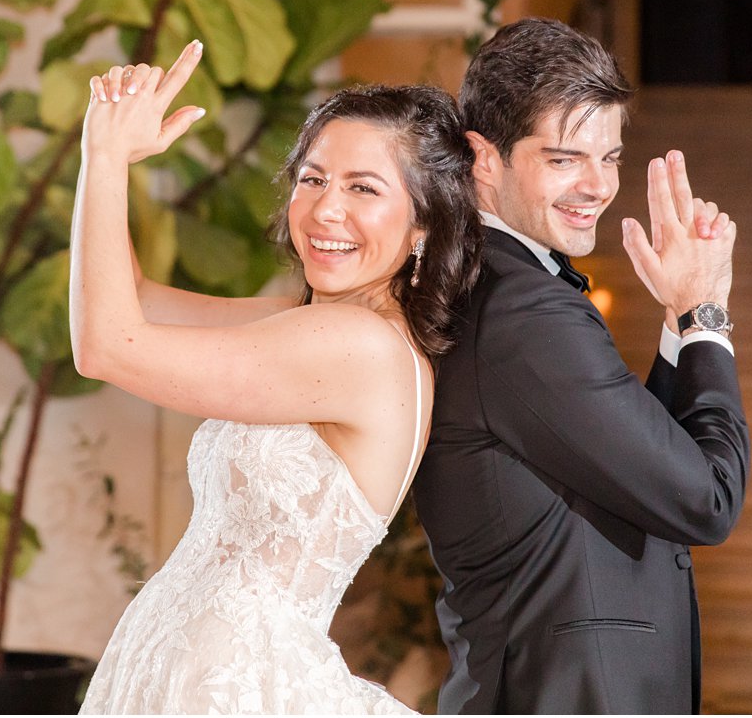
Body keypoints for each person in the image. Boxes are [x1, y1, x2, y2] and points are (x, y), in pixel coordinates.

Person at [69, 42, 482, 714]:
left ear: (423, 226)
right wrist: (104, 147)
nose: (325, 210)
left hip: (239, 687)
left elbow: (108, 347)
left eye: (363, 188)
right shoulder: (312, 326)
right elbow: (131, 301)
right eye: (313, 178)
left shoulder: (357, 347)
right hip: (185, 669)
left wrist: (104, 155)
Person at [412, 17, 750, 714]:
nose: (598, 185)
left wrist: (674, 324)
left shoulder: (503, 282)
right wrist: (704, 312)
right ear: (483, 157)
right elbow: (706, 496)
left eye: (612, 157)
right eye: (565, 158)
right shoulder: (522, 309)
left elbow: (633, 466)